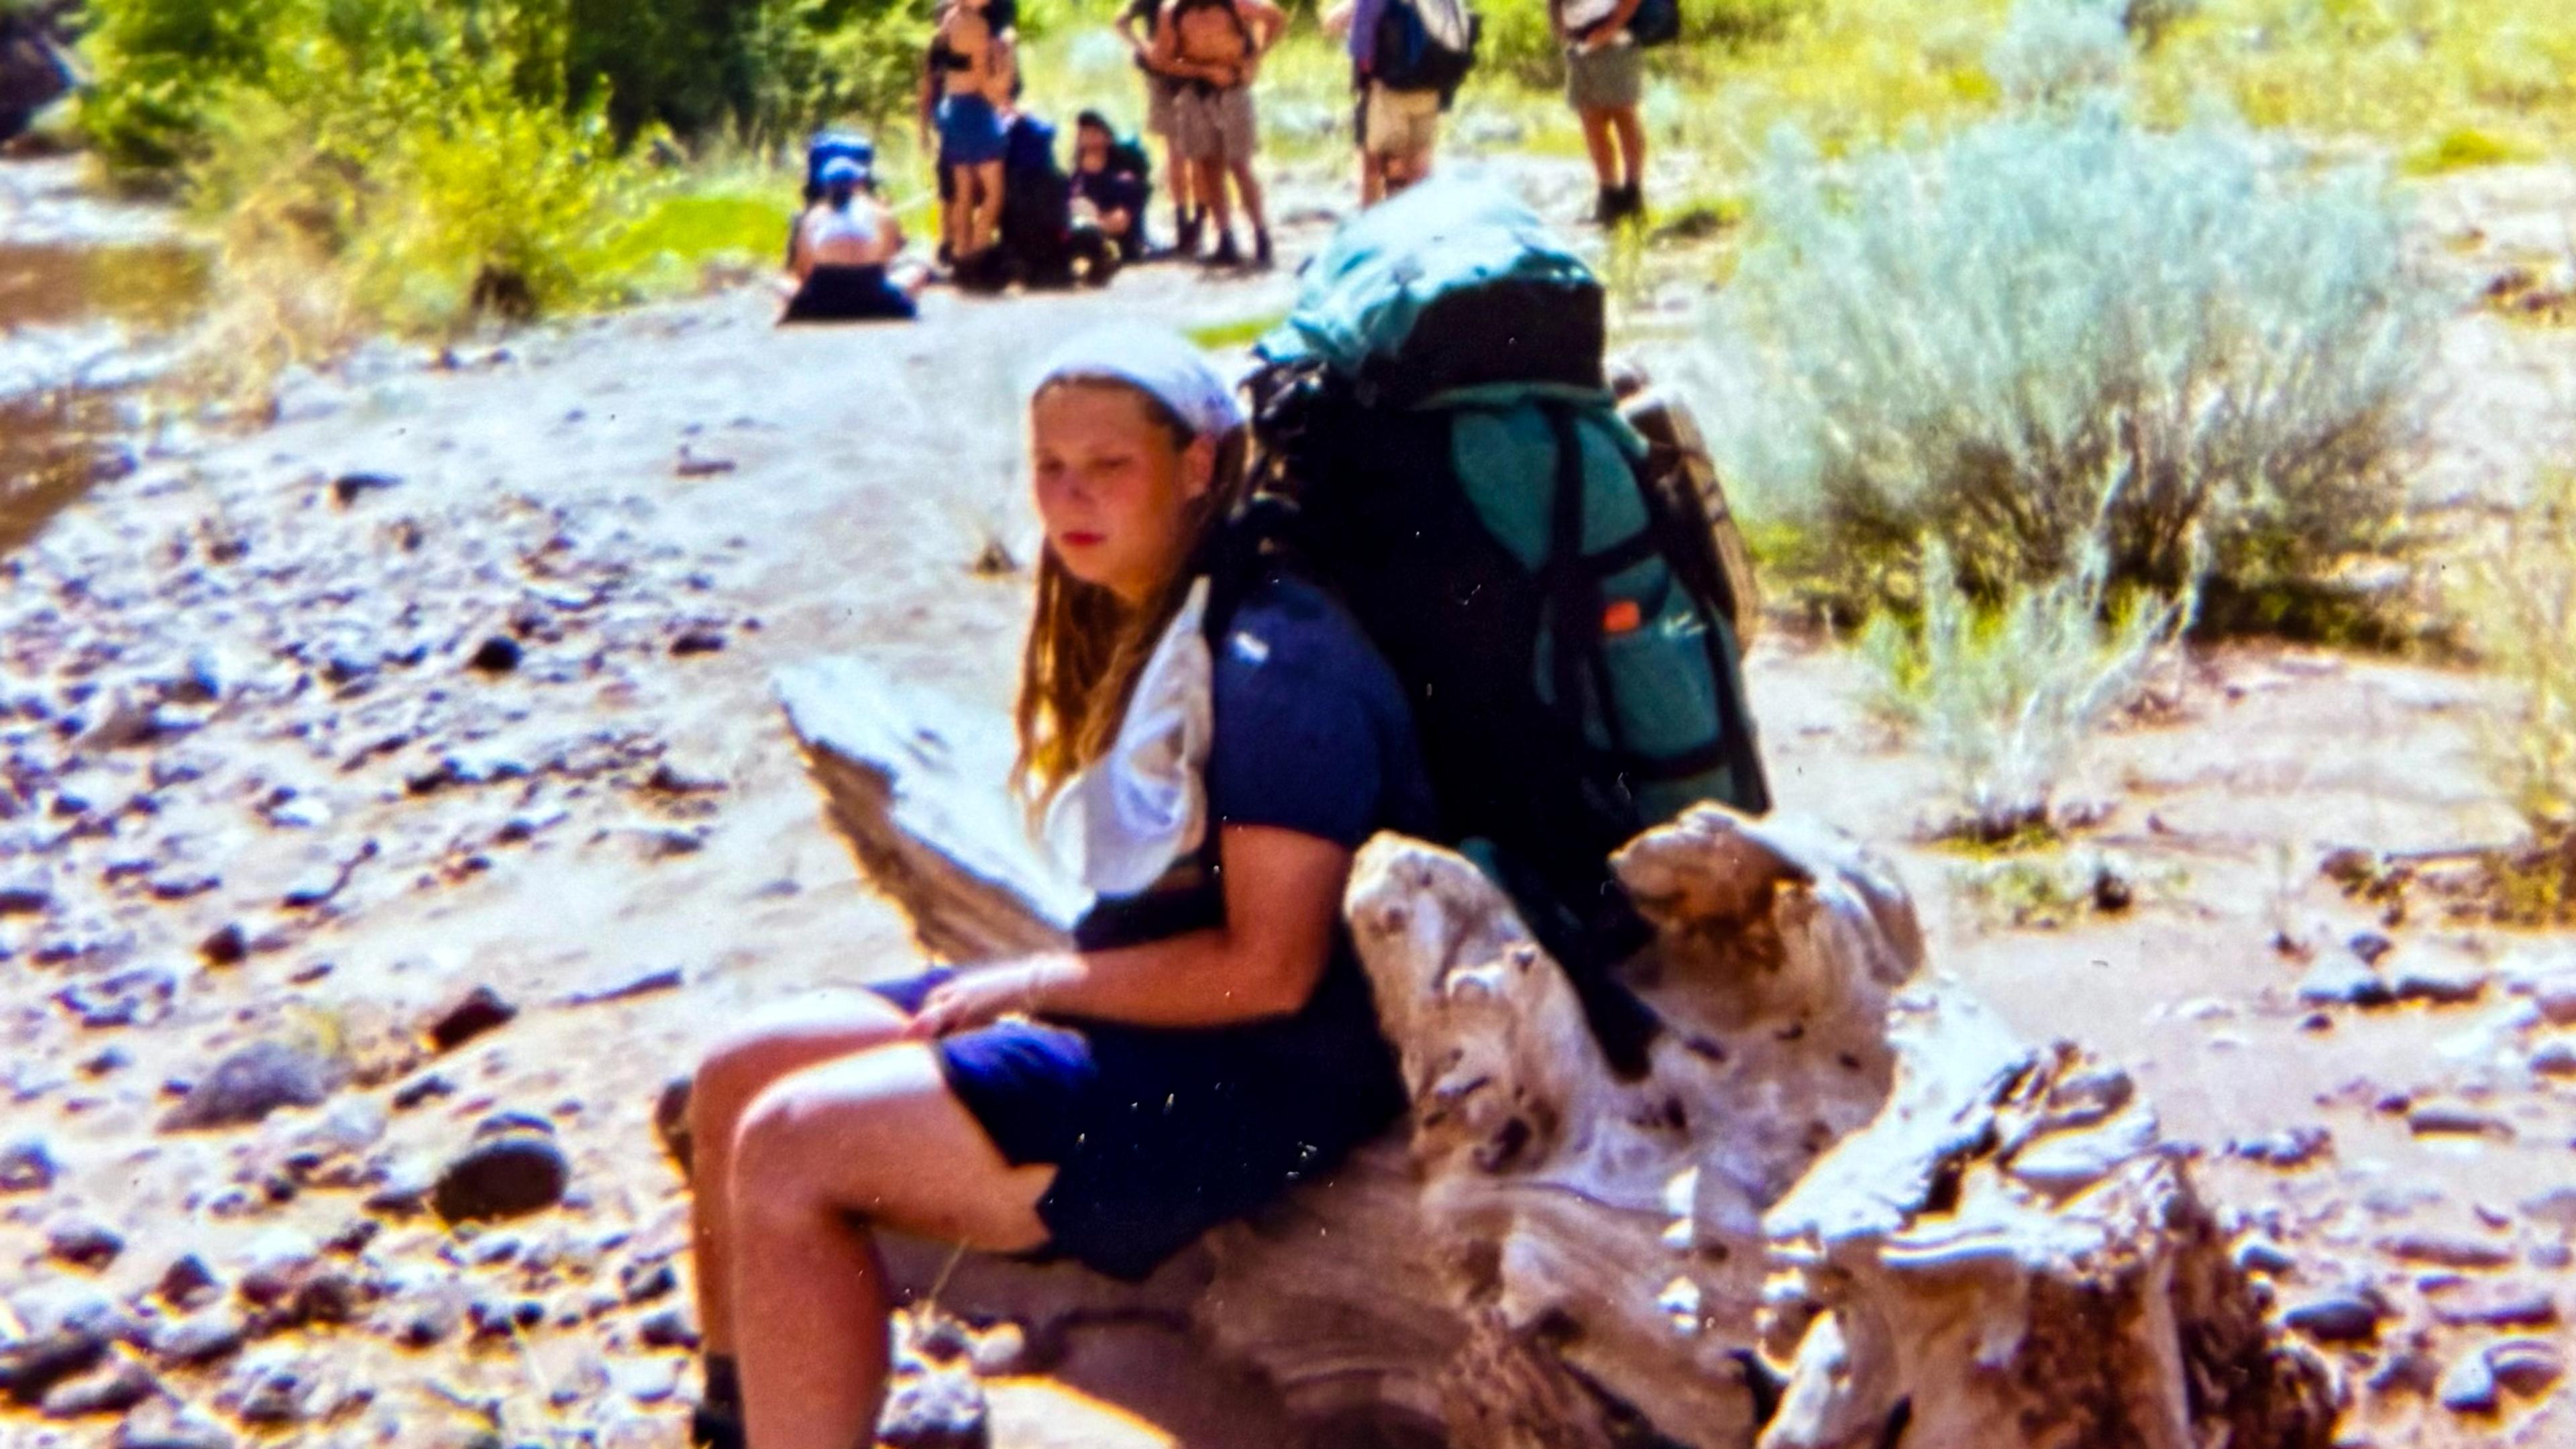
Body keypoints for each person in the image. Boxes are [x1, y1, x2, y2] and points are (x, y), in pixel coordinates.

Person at [684, 327, 1434, 1449]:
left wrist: (1040, 980)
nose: (1071, 499)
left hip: (1264, 1080)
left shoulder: (1278, 660)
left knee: (793, 1144)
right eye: (1050, 468)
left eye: (1109, 467)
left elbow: (1272, 973)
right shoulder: (1154, 600)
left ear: (1198, 464)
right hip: (1155, 1026)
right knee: (737, 1075)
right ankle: (736, 1423)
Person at [1151, 0, 1285, 268]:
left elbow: (1275, 18)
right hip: (1196, 90)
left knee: (1240, 164)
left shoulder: (1235, 5)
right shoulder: (1173, 11)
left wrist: (1254, 56)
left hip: (1234, 87)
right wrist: (1203, 71)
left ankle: (1261, 233)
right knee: (1208, 165)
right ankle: (1225, 236)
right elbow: (1161, 60)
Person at [921, 0, 1015, 270]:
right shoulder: (977, 25)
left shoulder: (951, 18)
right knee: (993, 191)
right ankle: (979, 249)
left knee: (963, 191)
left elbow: (947, 64)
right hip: (974, 109)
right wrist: (1003, 90)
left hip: (951, 107)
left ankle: (961, 254)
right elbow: (981, 78)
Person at [780, 156, 929, 322]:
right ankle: (895, 307)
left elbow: (803, 269)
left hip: (823, 292)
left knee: (781, 285)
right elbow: (887, 259)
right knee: (918, 269)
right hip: (871, 289)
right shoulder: (878, 211)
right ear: (856, 185)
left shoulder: (813, 217)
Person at [1328, 0, 1444, 206]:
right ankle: (1420, 222)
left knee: (1387, 163)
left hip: (1389, 86)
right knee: (1420, 163)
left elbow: (1358, 36)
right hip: (1431, 86)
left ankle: (1377, 223)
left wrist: (1367, 70)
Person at [1549, 0, 1648, 224]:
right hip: (1580, 45)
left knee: (1623, 114)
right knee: (1591, 120)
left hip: (1618, 41)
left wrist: (1610, 27)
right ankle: (1608, 196)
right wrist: (1559, 25)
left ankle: (1633, 194)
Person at [1115, 0, 1199, 258]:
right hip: (1162, 75)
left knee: (1196, 152)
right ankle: (1183, 219)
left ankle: (1197, 218)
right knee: (1176, 152)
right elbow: (1122, 20)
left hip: (1195, 73)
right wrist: (1145, 48)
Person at [1069, 109, 1152, 275]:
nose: (1088, 136)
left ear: (1108, 137)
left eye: (1094, 131)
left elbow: (1120, 223)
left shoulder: (1123, 181)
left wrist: (1088, 225)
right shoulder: (1074, 182)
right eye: (1084, 132)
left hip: (1119, 249)